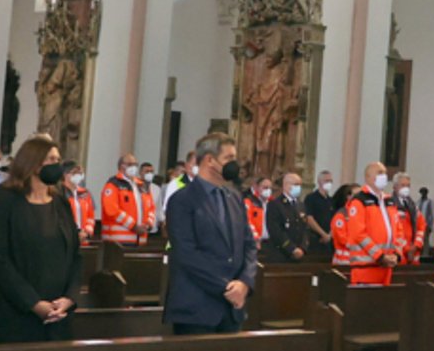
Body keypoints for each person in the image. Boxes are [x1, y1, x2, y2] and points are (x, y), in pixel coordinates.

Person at [0, 136, 84, 345]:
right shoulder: (6, 197)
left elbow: (75, 255)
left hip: (59, 313)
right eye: (51, 159)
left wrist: (69, 298)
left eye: (58, 159)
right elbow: (0, 258)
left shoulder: (60, 202)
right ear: (33, 162)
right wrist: (34, 303)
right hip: (17, 311)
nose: (57, 165)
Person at [162, 133, 259, 336]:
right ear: (209, 160)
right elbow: (186, 253)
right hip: (196, 308)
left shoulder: (234, 197)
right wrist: (226, 288)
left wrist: (244, 283)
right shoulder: (182, 200)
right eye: (229, 159)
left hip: (232, 309)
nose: (235, 165)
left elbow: (249, 244)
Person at [335, 162, 408, 286]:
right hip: (366, 267)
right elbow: (359, 234)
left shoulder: (389, 201)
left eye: (385, 173)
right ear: (368, 177)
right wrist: (379, 256)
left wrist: (396, 254)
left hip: (387, 267)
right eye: (380, 173)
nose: (384, 176)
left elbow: (399, 230)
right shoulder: (359, 200)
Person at [101, 153, 155, 247]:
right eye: (130, 164)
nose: (134, 167)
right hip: (118, 241)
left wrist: (148, 224)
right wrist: (133, 226)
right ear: (121, 166)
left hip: (140, 240)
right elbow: (111, 210)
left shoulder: (141, 185)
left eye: (135, 164)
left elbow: (151, 207)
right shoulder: (113, 184)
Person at [263, 172, 310, 263]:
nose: (299, 188)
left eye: (300, 185)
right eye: (296, 184)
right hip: (281, 254)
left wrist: (303, 247)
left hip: (299, 254)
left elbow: (305, 228)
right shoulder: (275, 205)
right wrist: (291, 248)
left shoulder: (301, 205)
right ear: (286, 185)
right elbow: (276, 231)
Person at [303, 169, 338, 255]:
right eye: (326, 181)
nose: (329, 183)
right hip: (316, 239)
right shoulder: (311, 198)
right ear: (319, 182)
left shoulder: (331, 200)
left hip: (329, 239)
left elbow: (335, 219)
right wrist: (323, 234)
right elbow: (309, 218)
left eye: (330, 181)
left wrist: (330, 234)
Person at [392, 174, 423, 264]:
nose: (406, 188)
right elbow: (394, 231)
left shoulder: (412, 205)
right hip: (399, 253)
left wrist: (416, 245)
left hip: (413, 253)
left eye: (408, 185)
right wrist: (407, 249)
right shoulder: (390, 205)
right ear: (395, 187)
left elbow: (421, 226)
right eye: (403, 185)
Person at [65, 164, 97, 240]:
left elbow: (90, 217)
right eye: (75, 172)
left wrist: (87, 232)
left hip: (83, 239)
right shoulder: (61, 193)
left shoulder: (85, 193)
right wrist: (75, 233)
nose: (78, 175)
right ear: (65, 174)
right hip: (68, 239)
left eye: (80, 173)